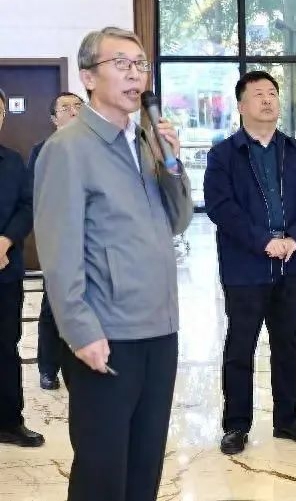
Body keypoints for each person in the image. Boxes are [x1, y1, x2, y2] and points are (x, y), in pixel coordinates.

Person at [34, 27, 193, 501]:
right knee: (102, 473)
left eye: (140, 64)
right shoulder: (68, 148)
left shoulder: (143, 141)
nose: (134, 74)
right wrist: (81, 331)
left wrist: (172, 164)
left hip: (159, 327)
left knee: (145, 464)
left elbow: (178, 221)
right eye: (120, 63)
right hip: (107, 335)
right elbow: (58, 250)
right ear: (88, 77)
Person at [204, 70, 296, 456]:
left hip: (292, 262)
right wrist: (263, 242)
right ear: (241, 106)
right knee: (241, 345)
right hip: (245, 266)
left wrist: (295, 238)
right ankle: (236, 425)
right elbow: (221, 207)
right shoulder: (224, 155)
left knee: (287, 343)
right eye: (258, 94)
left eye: (272, 93)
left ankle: (288, 418)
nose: (268, 99)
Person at [28, 91, 84, 391]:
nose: (74, 111)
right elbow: (34, 196)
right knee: (54, 306)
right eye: (66, 107)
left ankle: (83, 366)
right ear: (54, 118)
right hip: (60, 241)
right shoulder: (42, 151)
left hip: (93, 241)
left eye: (78, 106)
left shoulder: (98, 148)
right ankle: (48, 368)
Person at [0, 88, 44, 449]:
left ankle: (10, 422)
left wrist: (5, 242)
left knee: (5, 347)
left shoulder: (13, 162)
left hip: (5, 269)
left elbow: (27, 206)